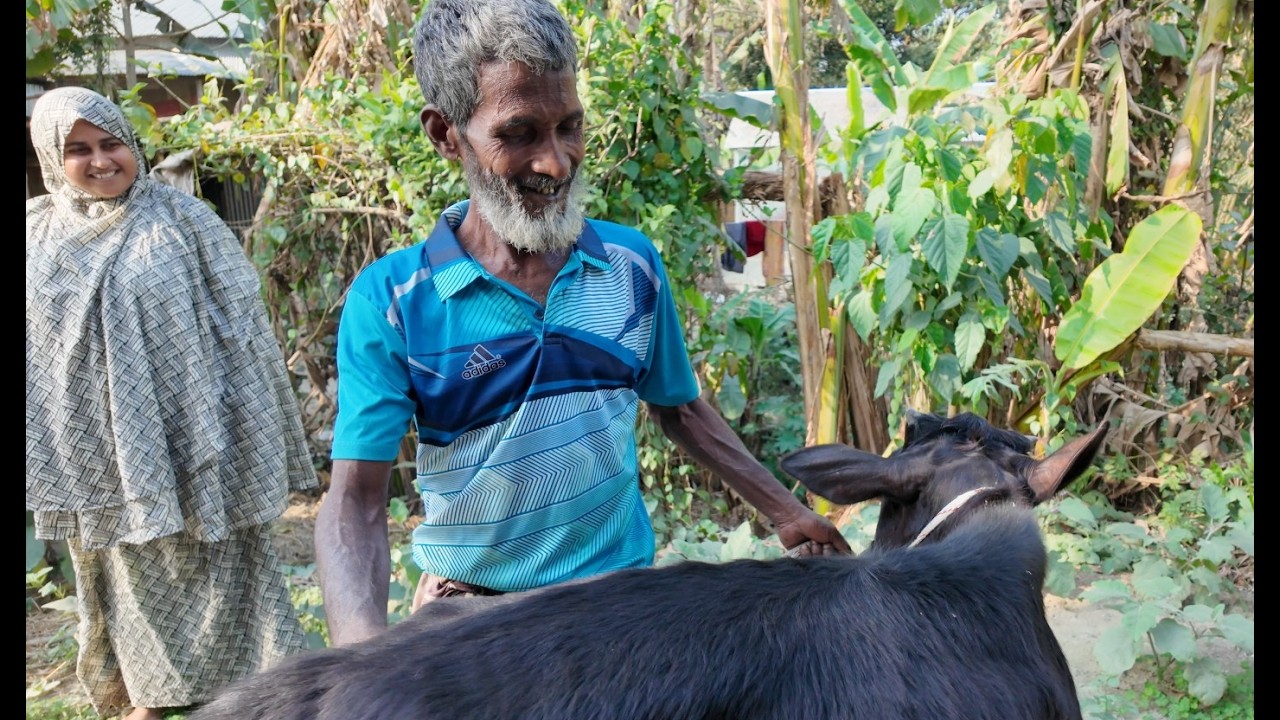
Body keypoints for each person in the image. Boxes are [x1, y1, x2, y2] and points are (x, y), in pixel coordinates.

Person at [317, 0, 852, 647]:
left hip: (619, 613)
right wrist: (358, 661)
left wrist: (786, 513)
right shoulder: (394, 301)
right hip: (474, 625)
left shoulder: (631, 266)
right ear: (445, 134)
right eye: (519, 133)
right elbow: (356, 502)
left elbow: (680, 410)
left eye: (569, 126)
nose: (557, 162)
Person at [25, 86, 319, 720]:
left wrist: (239, 427)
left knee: (232, 571)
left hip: (200, 440)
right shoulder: (36, 235)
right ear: (51, 157)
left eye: (111, 143)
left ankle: (260, 698)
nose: (100, 160)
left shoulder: (183, 219)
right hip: (102, 455)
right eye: (78, 150)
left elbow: (240, 330)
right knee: (129, 580)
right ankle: (150, 704)